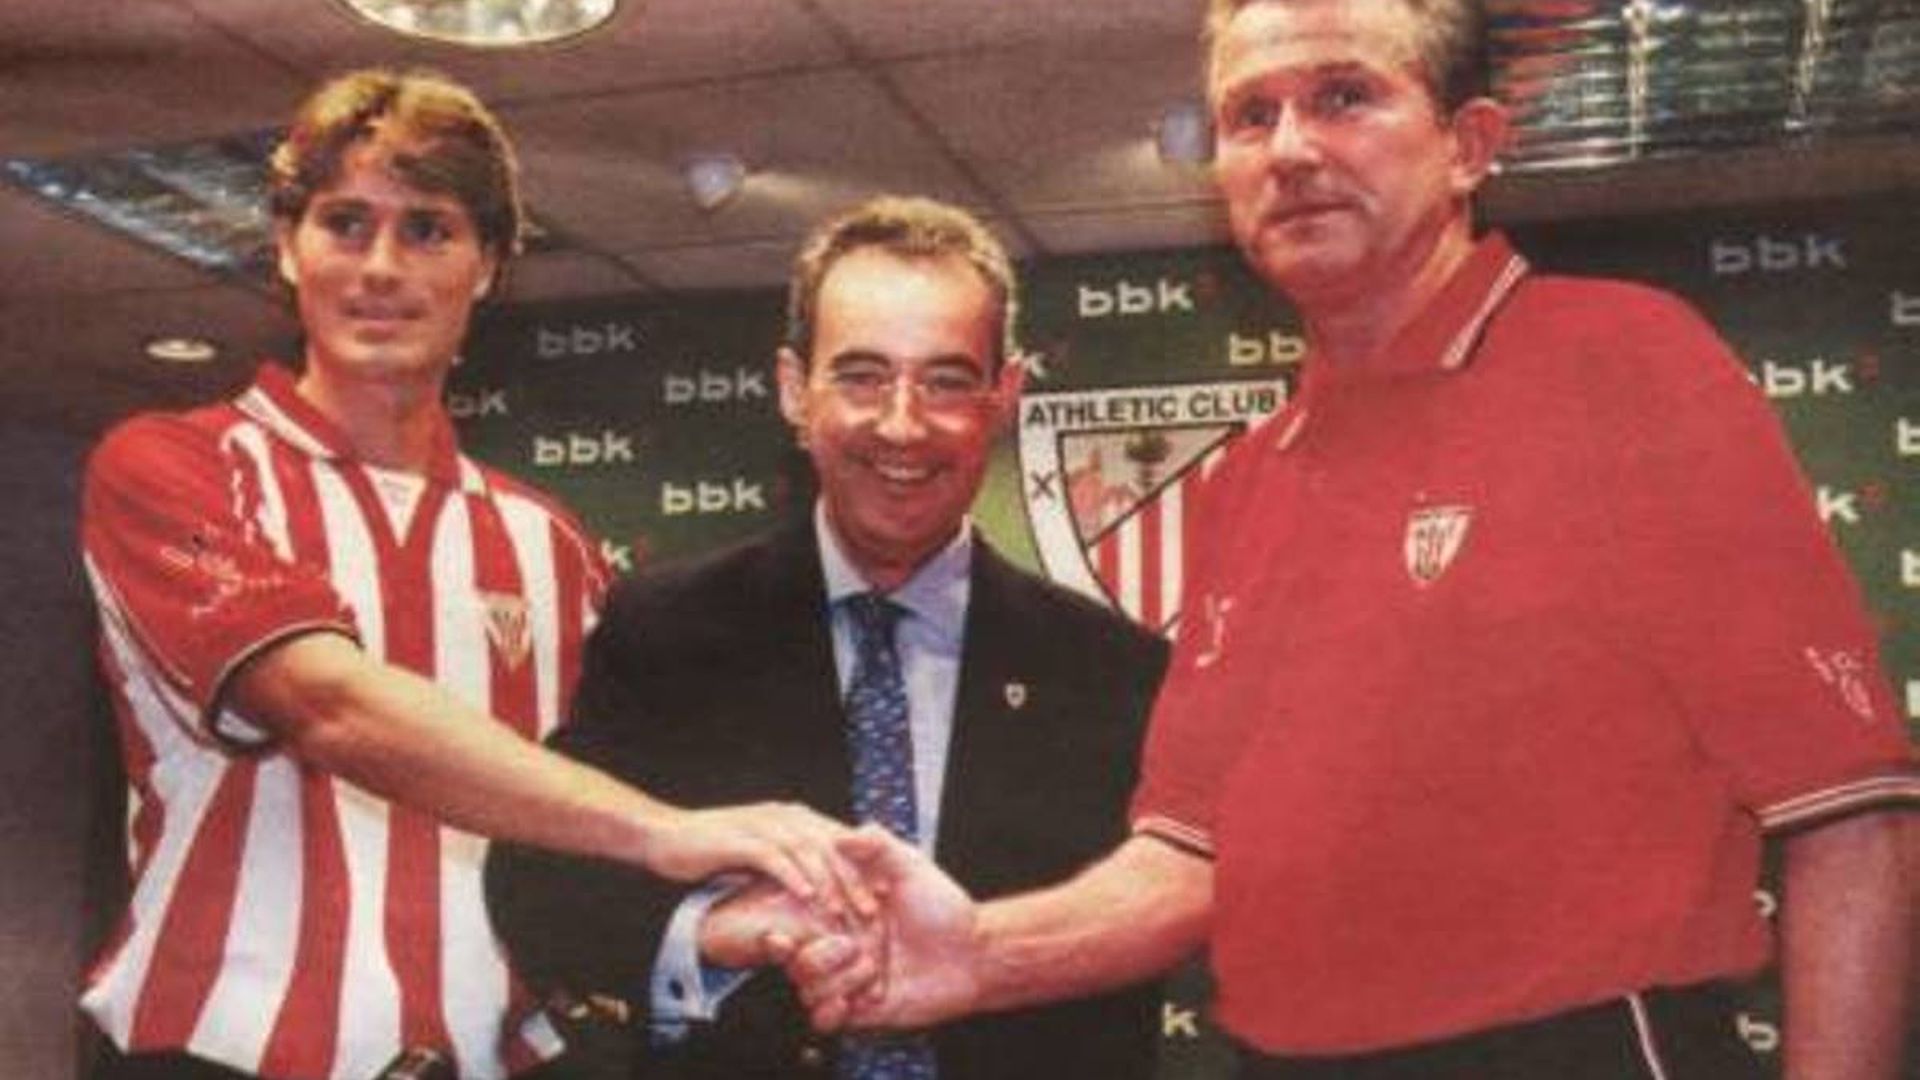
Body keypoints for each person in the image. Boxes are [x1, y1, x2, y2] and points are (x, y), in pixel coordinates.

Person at [777, 2, 1919, 1079]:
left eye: (1343, 96)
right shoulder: (1249, 479)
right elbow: (1187, 859)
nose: (1290, 149)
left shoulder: (1624, 364)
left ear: (1468, 145)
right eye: (1249, 115)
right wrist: (979, 952)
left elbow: (1852, 817)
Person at [79, 69, 864, 1080]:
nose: (380, 268)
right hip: (212, 1061)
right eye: (345, 223)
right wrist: (664, 831)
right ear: (287, 246)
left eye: (428, 231)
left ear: (488, 264)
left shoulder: (552, 543)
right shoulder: (173, 468)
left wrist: (742, 916)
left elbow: (584, 828)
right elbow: (326, 707)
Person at [484, 195, 1171, 1078]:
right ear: (792, 390)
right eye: (861, 376)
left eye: (947, 380)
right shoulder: (669, 631)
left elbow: (1146, 935)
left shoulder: (1112, 669)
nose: (902, 423)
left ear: (1003, 398)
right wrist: (712, 930)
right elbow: (541, 875)